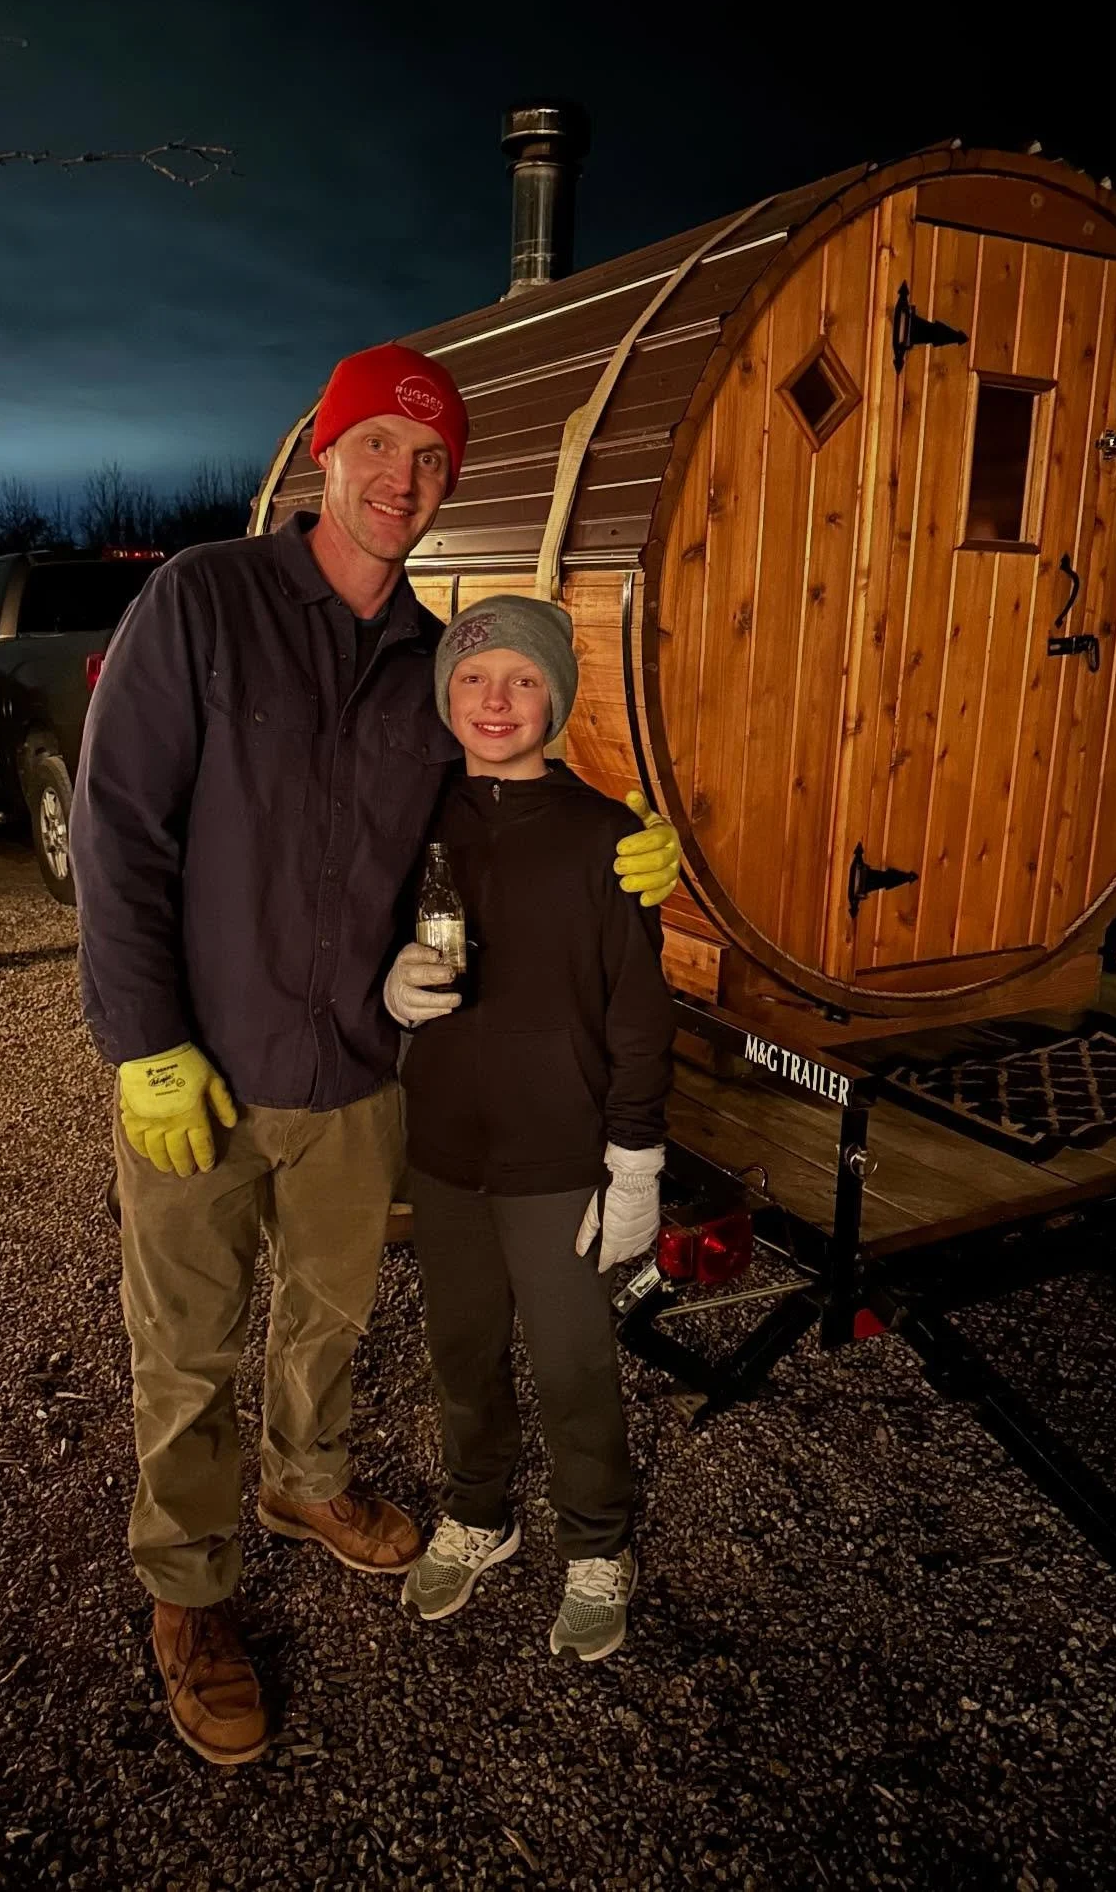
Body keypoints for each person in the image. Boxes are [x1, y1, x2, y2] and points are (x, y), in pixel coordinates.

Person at [68, 343, 682, 1764]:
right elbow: (118, 828)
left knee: (331, 1314)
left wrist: (628, 852)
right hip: (204, 1066)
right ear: (324, 458)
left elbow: (498, 802)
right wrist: (142, 1040)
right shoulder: (203, 601)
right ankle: (189, 1589)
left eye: (430, 464)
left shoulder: (430, 655)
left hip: (356, 1067)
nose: (401, 481)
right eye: (377, 451)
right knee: (185, 1343)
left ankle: (308, 1481)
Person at [388, 594, 676, 1664]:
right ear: (445, 696)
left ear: (556, 696)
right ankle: (480, 1512)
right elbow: (367, 948)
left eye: (521, 679)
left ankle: (599, 1543)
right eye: (471, 677)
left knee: (571, 1360)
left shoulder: (606, 835)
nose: (495, 699)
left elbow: (639, 1011)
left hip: (561, 1153)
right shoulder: (415, 822)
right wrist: (387, 987)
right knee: (462, 1350)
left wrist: (636, 1155)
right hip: (448, 1147)